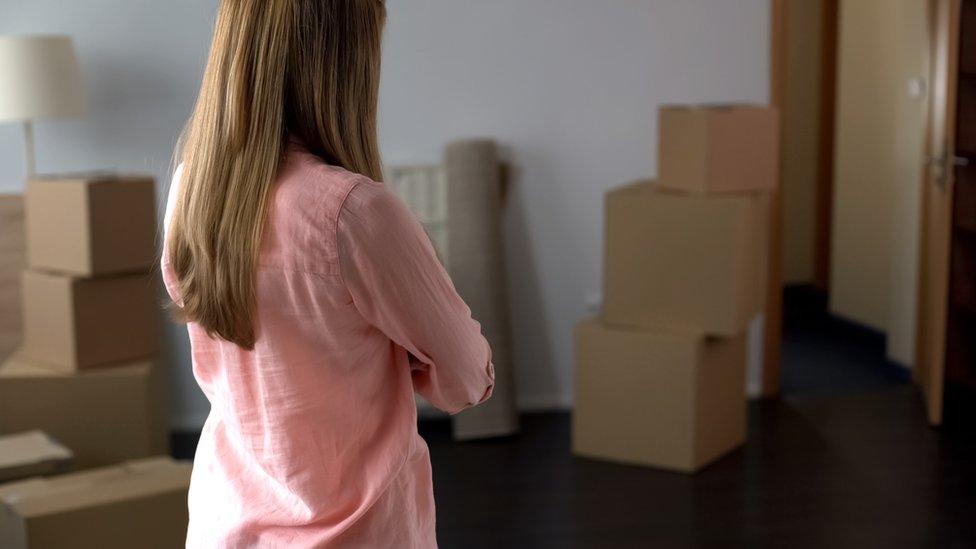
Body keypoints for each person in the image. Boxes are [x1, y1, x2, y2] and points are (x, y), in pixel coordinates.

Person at [161, 1, 494, 546]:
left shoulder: (189, 194)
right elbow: (466, 378)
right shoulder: (353, 211)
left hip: (226, 524)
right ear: (345, 64)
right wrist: (401, 354)